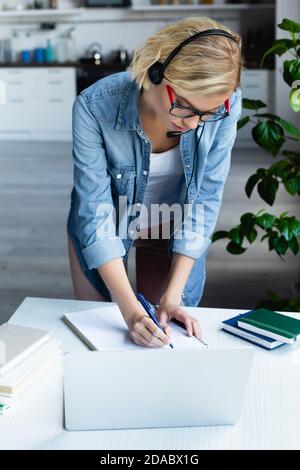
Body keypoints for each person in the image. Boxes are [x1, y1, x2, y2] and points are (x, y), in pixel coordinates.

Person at [66, 16, 243, 348]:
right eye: (187, 108)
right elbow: (95, 212)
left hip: (171, 225)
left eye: (209, 114)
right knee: (100, 333)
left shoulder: (224, 104)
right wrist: (132, 313)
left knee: (164, 334)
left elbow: (205, 199)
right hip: (108, 222)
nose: (194, 125)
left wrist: (173, 297)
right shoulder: (93, 107)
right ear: (156, 72)